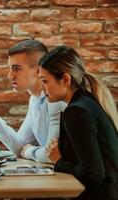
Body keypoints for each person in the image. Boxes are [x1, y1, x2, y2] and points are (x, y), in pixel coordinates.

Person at [0, 39, 67, 163]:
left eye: (16, 69)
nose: (10, 75)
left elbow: (50, 155)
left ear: (38, 70)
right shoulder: (34, 100)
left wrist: (29, 151)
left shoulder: (55, 101)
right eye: (10, 68)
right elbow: (19, 148)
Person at [39, 45, 118, 200]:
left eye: (45, 81)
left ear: (65, 80)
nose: (42, 88)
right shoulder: (87, 102)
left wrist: (58, 160)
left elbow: (93, 175)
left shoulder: (77, 112)